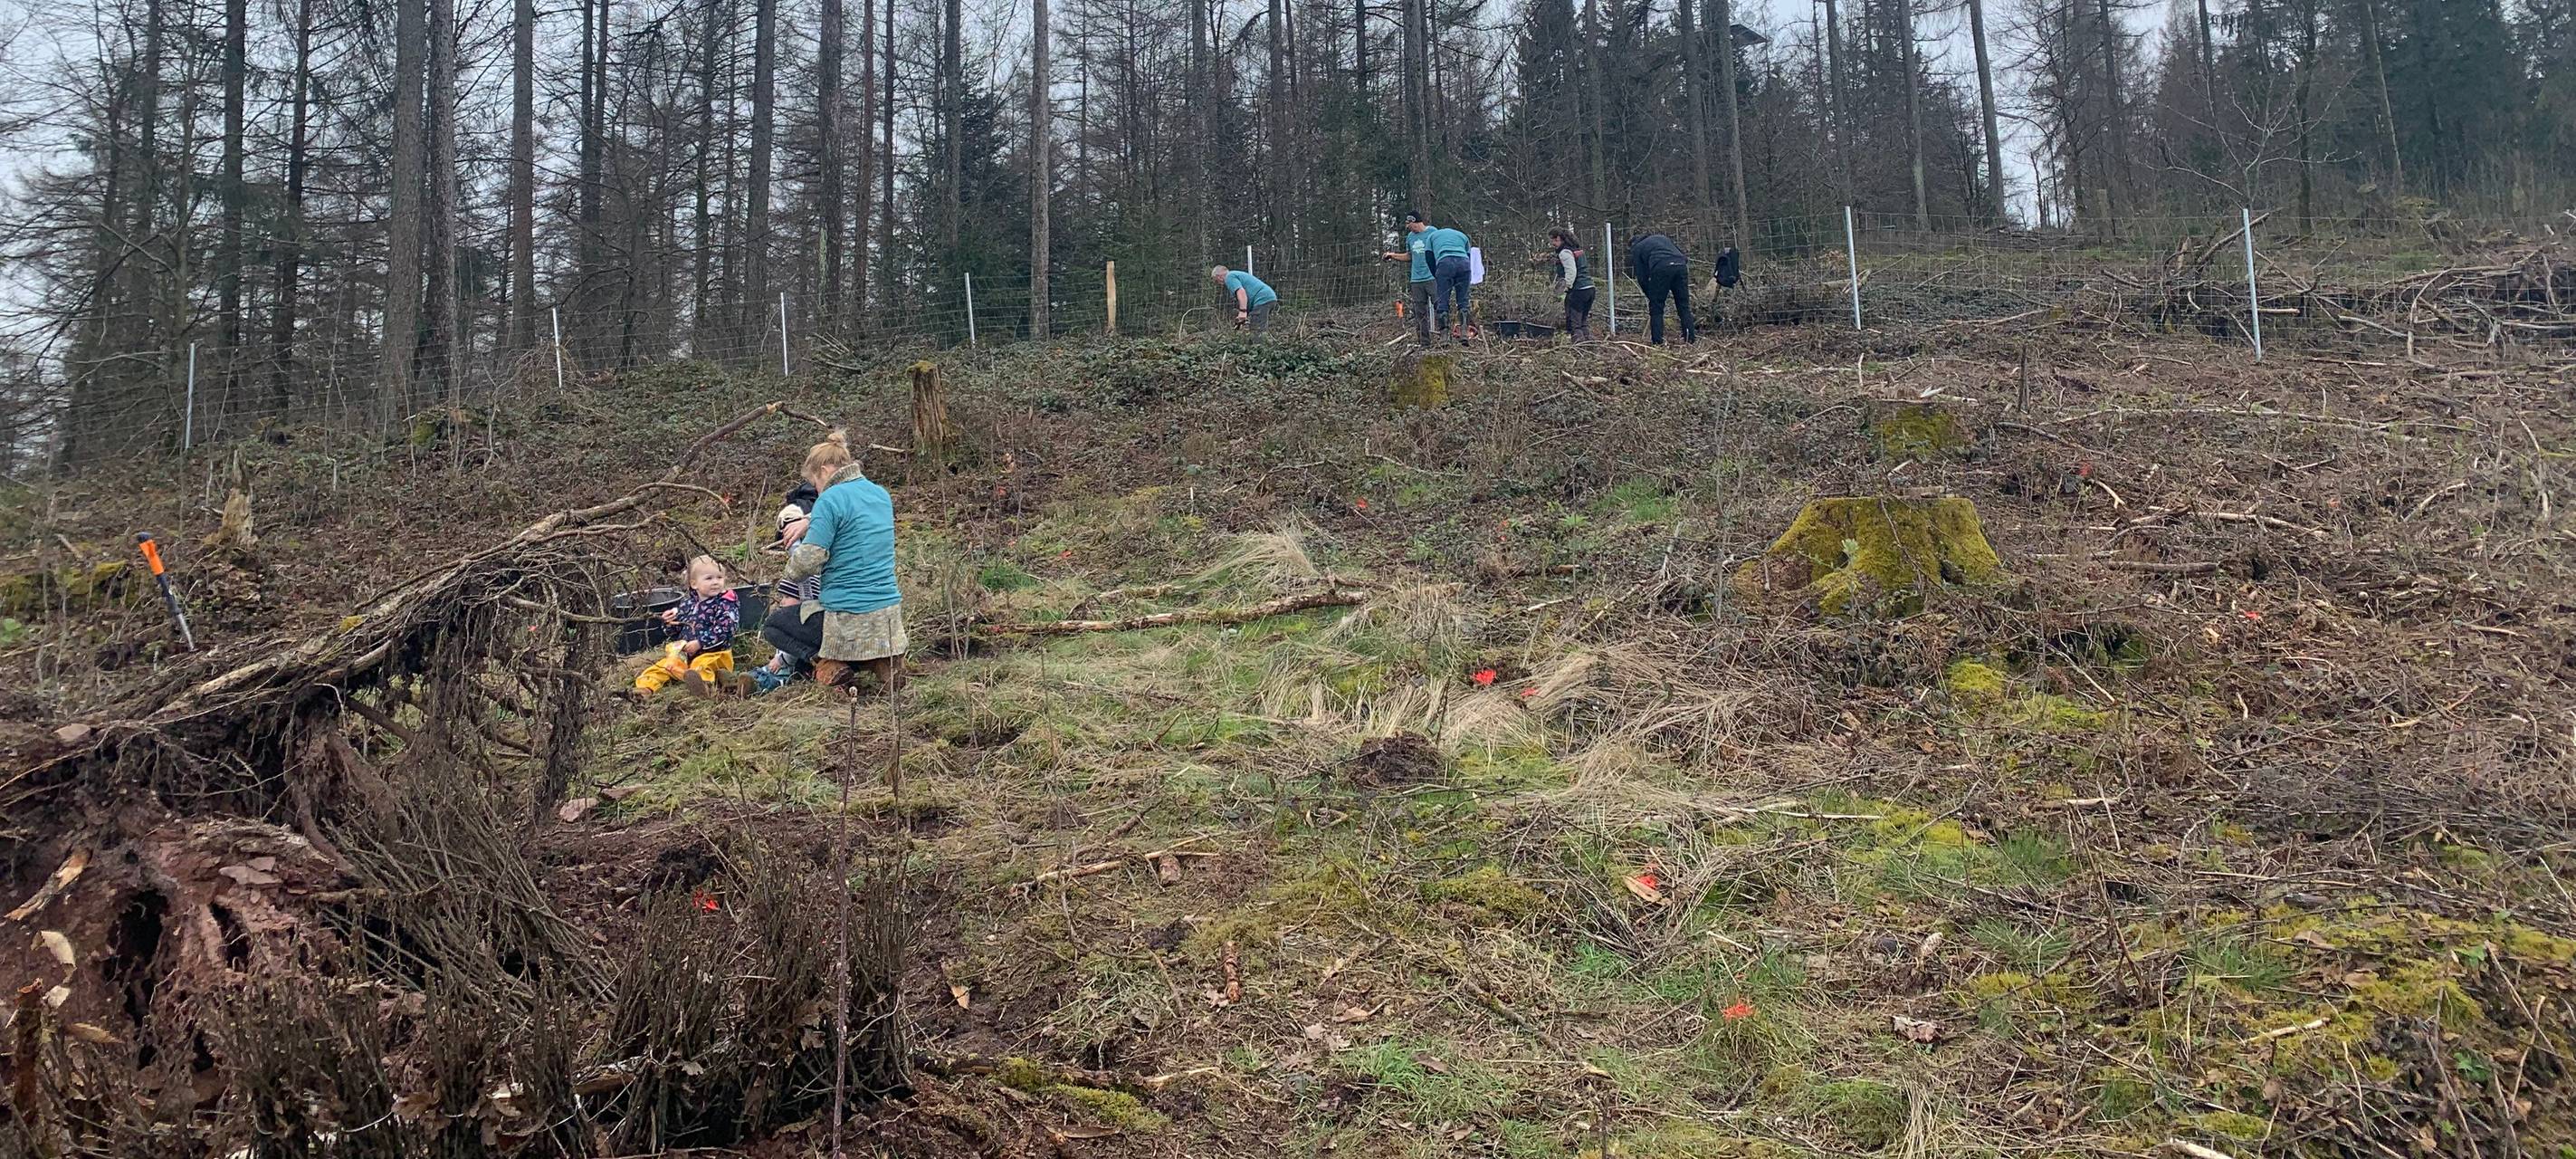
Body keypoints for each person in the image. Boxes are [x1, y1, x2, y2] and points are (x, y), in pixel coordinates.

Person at [782, 431, 904, 694]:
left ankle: (831, 663)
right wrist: (810, 521)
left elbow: (808, 562)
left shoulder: (829, 499)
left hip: (846, 614)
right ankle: (881, 660)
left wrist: (791, 565)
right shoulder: (879, 494)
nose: (815, 489)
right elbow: (851, 521)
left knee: (777, 625)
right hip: (887, 613)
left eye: (814, 481)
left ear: (824, 471)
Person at [749, 479, 821, 693]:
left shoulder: (803, 568)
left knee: (775, 626)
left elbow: (793, 612)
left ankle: (774, 675)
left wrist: (781, 658)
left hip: (812, 641)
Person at [633, 555, 741, 697]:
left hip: (715, 654)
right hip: (686, 657)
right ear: (694, 584)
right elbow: (673, 631)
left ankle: (704, 687)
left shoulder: (725, 603)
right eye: (709, 578)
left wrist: (700, 643)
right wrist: (668, 622)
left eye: (719, 578)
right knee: (662, 666)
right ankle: (645, 689)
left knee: (702, 666)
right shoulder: (687, 605)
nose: (715, 582)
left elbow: (726, 629)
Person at [1626, 231, 1696, 345]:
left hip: (1661, 267)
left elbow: (1642, 277)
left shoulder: (1637, 248)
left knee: (1657, 308)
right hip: (1680, 265)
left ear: (1632, 245)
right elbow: (1682, 255)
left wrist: (1651, 295)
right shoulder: (1661, 238)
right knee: (1683, 306)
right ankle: (1690, 339)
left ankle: (1658, 342)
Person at [1382, 212, 1438, 347]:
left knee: (1440, 306)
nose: (1409, 228)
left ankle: (1445, 338)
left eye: (1410, 225)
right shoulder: (1410, 237)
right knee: (1420, 312)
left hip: (1432, 277)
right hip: (1416, 280)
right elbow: (1409, 256)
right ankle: (1424, 343)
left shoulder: (1433, 232)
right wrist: (1393, 255)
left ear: (1416, 222)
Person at [1424, 220, 1477, 340]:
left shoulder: (1432, 236)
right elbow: (1468, 256)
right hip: (1464, 264)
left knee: (1443, 301)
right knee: (1463, 301)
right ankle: (1464, 333)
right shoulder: (1463, 236)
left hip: (1445, 263)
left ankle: (1444, 336)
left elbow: (1428, 257)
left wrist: (1436, 274)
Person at [1549, 226, 1596, 342]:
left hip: (1578, 290)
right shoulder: (1577, 250)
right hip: (1590, 288)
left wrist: (1565, 288)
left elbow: (1571, 272)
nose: (1552, 243)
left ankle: (1579, 345)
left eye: (1553, 240)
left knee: (1575, 322)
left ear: (1559, 238)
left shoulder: (1565, 252)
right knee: (1583, 320)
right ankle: (1590, 343)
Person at [1210, 265, 1280, 334]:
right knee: (1258, 326)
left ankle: (1259, 344)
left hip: (1262, 299)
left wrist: (1243, 311)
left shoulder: (1229, 277)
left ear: (1219, 276)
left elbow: (1241, 292)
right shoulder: (1235, 274)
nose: (1219, 283)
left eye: (1216, 281)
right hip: (1268, 298)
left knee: (1257, 330)